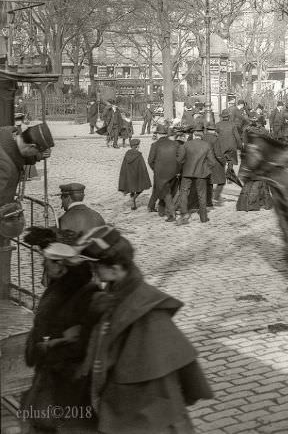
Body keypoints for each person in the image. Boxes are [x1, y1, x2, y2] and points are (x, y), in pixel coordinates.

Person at [77, 227, 213, 433]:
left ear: (115, 269)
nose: (93, 271)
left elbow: (165, 367)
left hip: (147, 410)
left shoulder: (144, 308)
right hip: (126, 407)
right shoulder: (114, 293)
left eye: (96, 267)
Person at [21, 240, 99, 433]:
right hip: (51, 375)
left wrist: (49, 347)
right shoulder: (58, 287)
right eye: (48, 261)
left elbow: (83, 342)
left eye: (50, 261)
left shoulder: (85, 293)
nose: (45, 266)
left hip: (69, 381)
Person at [1, 122, 54, 299]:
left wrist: (34, 157)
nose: (36, 156)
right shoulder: (6, 169)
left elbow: (16, 151)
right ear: (31, 146)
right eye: (36, 152)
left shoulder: (6, 134)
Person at [177, 124, 215, 224]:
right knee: (202, 195)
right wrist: (206, 170)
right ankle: (203, 217)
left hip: (186, 173)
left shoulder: (186, 144)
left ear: (194, 134)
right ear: (201, 134)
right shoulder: (206, 145)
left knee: (184, 193)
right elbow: (212, 162)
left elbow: (180, 160)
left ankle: (184, 214)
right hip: (201, 174)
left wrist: (182, 169)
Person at [147, 124, 185, 221]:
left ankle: (172, 214)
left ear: (158, 134)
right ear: (165, 134)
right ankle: (161, 210)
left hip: (160, 173)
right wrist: (177, 169)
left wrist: (155, 169)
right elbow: (181, 158)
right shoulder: (175, 144)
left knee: (166, 193)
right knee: (168, 191)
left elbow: (150, 160)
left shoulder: (155, 145)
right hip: (173, 172)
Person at [236, 118, 273, 211]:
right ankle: (264, 202)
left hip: (250, 157)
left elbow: (243, 145)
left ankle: (246, 204)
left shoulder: (246, 130)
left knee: (250, 182)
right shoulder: (264, 131)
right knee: (262, 181)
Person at [117, 139, 151, 210]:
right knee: (141, 188)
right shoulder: (138, 155)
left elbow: (124, 166)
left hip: (129, 175)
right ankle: (134, 199)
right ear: (137, 146)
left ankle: (133, 205)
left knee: (132, 189)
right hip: (137, 175)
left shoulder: (127, 154)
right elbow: (142, 166)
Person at [203, 121, 228, 208]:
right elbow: (218, 154)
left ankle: (208, 200)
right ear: (214, 130)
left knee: (209, 182)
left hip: (205, 162)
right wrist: (223, 162)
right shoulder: (215, 139)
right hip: (215, 163)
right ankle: (216, 198)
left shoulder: (203, 137)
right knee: (221, 181)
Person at [215, 109, 242, 186]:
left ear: (222, 117)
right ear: (228, 117)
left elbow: (215, 136)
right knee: (231, 161)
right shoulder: (233, 125)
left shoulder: (218, 125)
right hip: (231, 146)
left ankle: (222, 177)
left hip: (221, 146)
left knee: (221, 161)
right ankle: (229, 177)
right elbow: (237, 137)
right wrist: (240, 147)